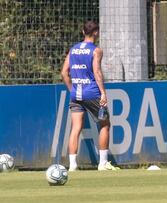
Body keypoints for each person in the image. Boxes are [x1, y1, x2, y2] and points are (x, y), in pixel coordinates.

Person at [61, 20, 119, 171]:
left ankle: (72, 165)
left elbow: (64, 72)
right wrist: (103, 93)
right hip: (92, 92)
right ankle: (103, 163)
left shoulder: (73, 50)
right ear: (96, 32)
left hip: (76, 94)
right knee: (105, 124)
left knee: (76, 128)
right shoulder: (96, 50)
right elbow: (97, 72)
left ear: (82, 32)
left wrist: (72, 89)